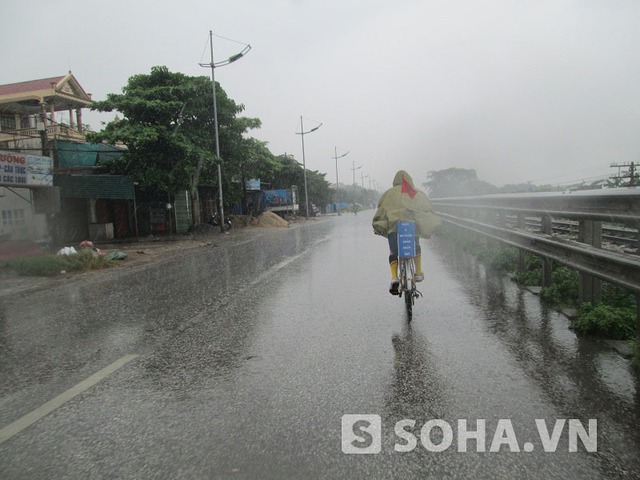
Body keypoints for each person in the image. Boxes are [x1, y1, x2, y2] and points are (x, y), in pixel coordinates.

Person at [372, 170, 441, 295]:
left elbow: (380, 210)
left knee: (393, 251)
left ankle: (394, 278)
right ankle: (418, 272)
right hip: (411, 228)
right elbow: (427, 208)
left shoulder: (388, 194)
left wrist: (380, 226)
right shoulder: (417, 193)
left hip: (394, 229)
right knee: (416, 244)